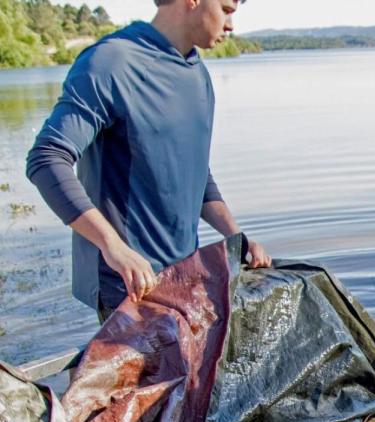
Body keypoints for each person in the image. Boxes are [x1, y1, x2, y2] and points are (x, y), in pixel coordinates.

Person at [26, 0, 270, 322]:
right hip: (129, 290)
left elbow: (194, 170)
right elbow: (47, 159)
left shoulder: (198, 74)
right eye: (226, 9)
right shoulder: (111, 62)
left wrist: (236, 238)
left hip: (184, 277)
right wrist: (112, 246)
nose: (230, 25)